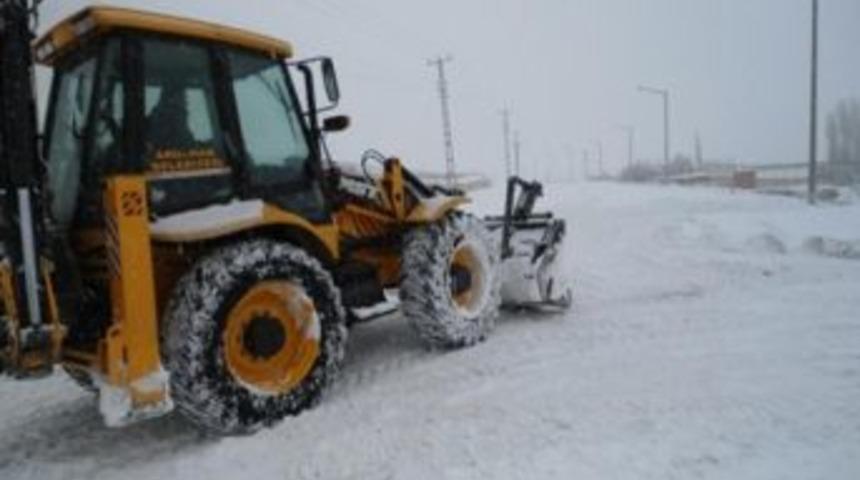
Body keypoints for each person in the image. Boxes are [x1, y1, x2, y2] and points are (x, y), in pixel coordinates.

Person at [146, 82, 196, 151]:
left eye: (185, 97)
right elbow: (185, 145)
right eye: (182, 97)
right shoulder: (171, 118)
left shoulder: (157, 117)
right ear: (170, 99)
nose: (186, 101)